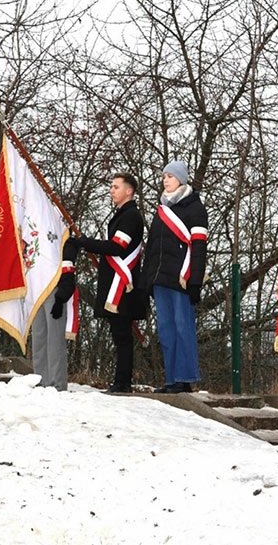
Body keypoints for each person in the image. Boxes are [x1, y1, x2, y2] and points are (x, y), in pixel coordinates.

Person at [68, 173, 146, 393]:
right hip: (116, 283)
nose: (111, 190)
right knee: (118, 334)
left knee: (122, 336)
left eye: (116, 186)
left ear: (129, 191)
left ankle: (123, 383)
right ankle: (120, 381)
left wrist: (86, 243)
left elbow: (117, 247)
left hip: (123, 286)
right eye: (111, 186)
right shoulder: (122, 215)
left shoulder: (131, 216)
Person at [141, 161, 207, 394]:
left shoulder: (195, 209)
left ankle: (185, 378)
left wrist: (195, 281)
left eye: (170, 176)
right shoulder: (161, 210)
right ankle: (171, 379)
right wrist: (146, 279)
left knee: (183, 327)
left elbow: (199, 248)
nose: (165, 180)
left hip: (181, 278)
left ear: (181, 179)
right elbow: (152, 248)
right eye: (164, 176)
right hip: (160, 279)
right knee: (166, 330)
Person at [32, 239, 78, 391]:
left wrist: (61, 296)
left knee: (54, 340)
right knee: (38, 338)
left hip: (54, 289)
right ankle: (40, 381)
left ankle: (56, 384)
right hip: (36, 288)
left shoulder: (62, 235)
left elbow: (68, 267)